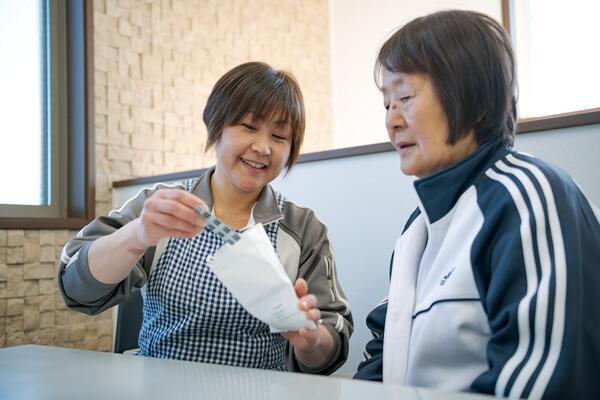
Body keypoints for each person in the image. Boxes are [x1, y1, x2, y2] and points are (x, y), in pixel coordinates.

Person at [353, 10, 600, 398]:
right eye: (386, 104)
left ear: (475, 100)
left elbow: (546, 380)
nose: (392, 120)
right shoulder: (417, 227)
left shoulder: (530, 198)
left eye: (404, 97)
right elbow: (383, 352)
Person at [58, 61, 352, 374]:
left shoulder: (302, 228)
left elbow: (331, 345)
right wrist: (138, 234)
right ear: (216, 126)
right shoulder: (161, 205)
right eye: (249, 127)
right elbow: (77, 288)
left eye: (279, 136)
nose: (263, 147)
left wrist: (309, 340)